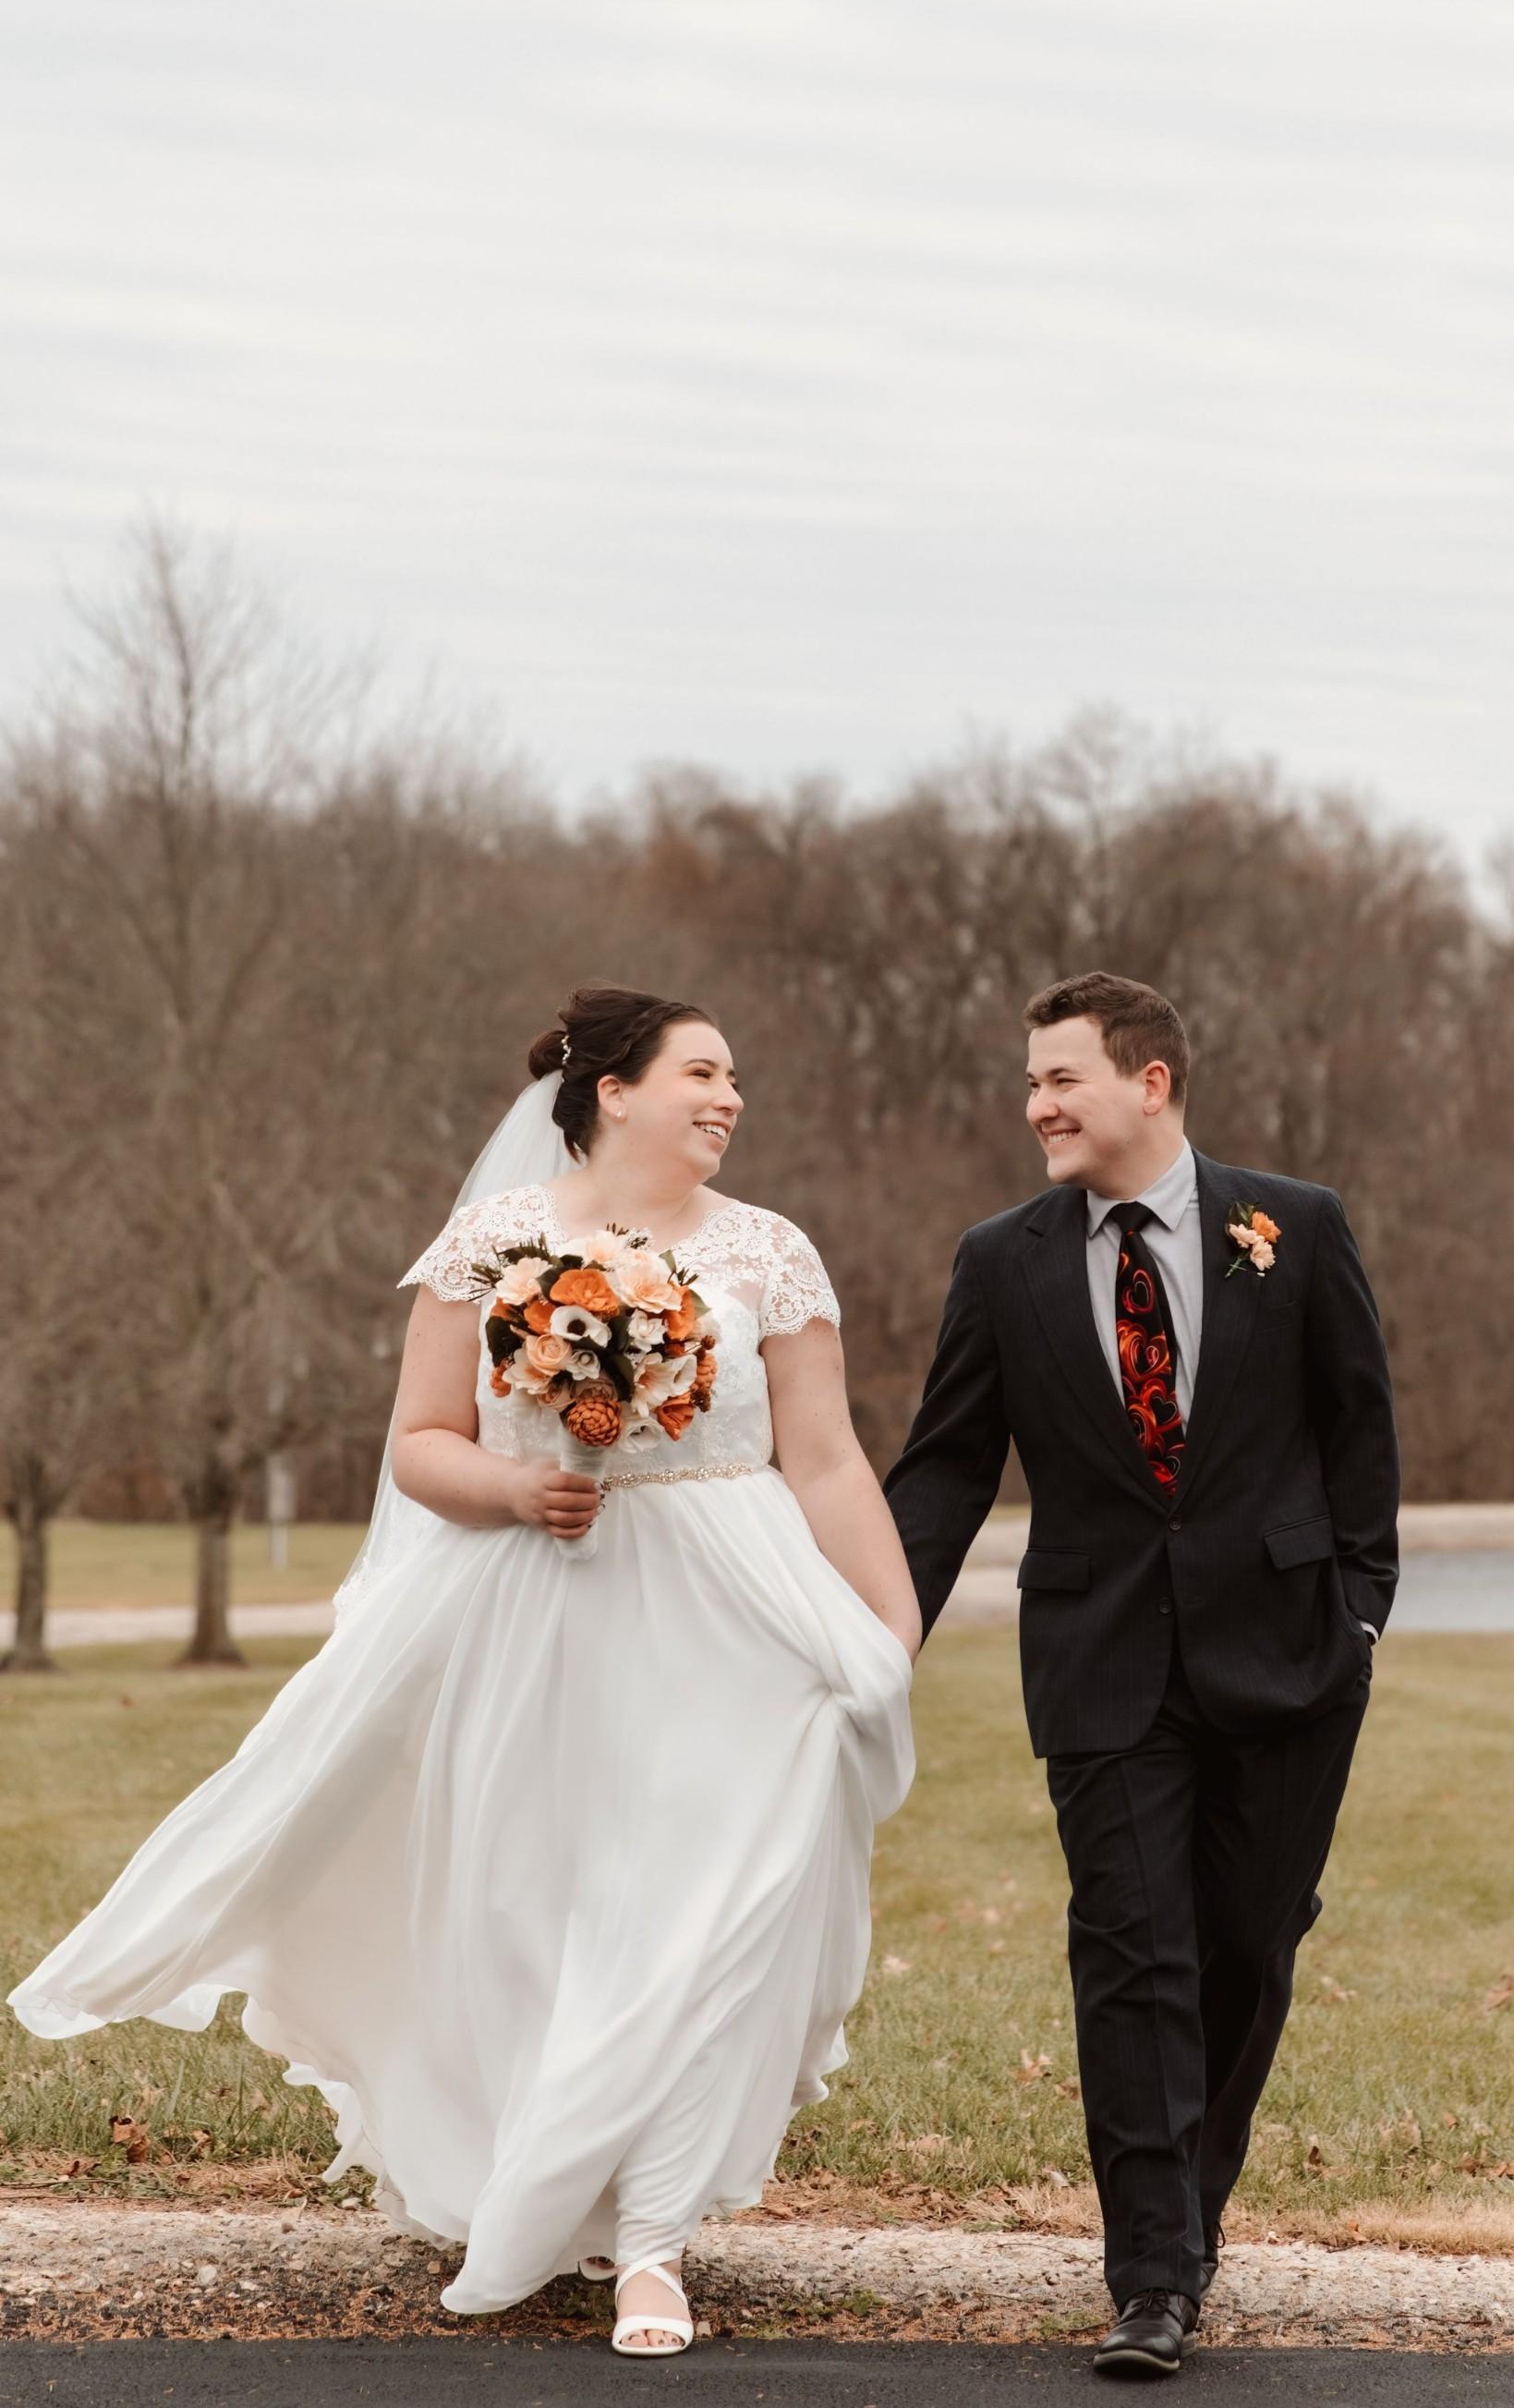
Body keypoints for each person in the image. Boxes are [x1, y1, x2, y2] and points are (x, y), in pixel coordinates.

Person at [11, 984, 917, 2358]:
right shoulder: (496, 1243)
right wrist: (518, 1488)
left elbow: (830, 1458)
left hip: (737, 1622)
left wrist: (886, 1634)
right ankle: (548, 2173)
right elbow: (419, 1441)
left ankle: (657, 2245)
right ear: (613, 1090)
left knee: (704, 1917)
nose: (730, 1100)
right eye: (703, 1074)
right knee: (548, 1912)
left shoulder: (772, 1254)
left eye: (736, 1081)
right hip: (544, 1612)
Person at [886, 970, 1397, 2380]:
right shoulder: (1004, 1260)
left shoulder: (1293, 1227)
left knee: (1244, 1949)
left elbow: (1361, 1429)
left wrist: (1360, 1613)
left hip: (1289, 1657)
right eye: (1033, 1082)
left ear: (1149, 1082)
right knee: (1131, 1956)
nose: (1035, 1104)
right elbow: (943, 1470)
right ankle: (1153, 2278)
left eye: (1060, 1079)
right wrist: (876, 1631)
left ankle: (1191, 2217)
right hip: (1101, 1661)